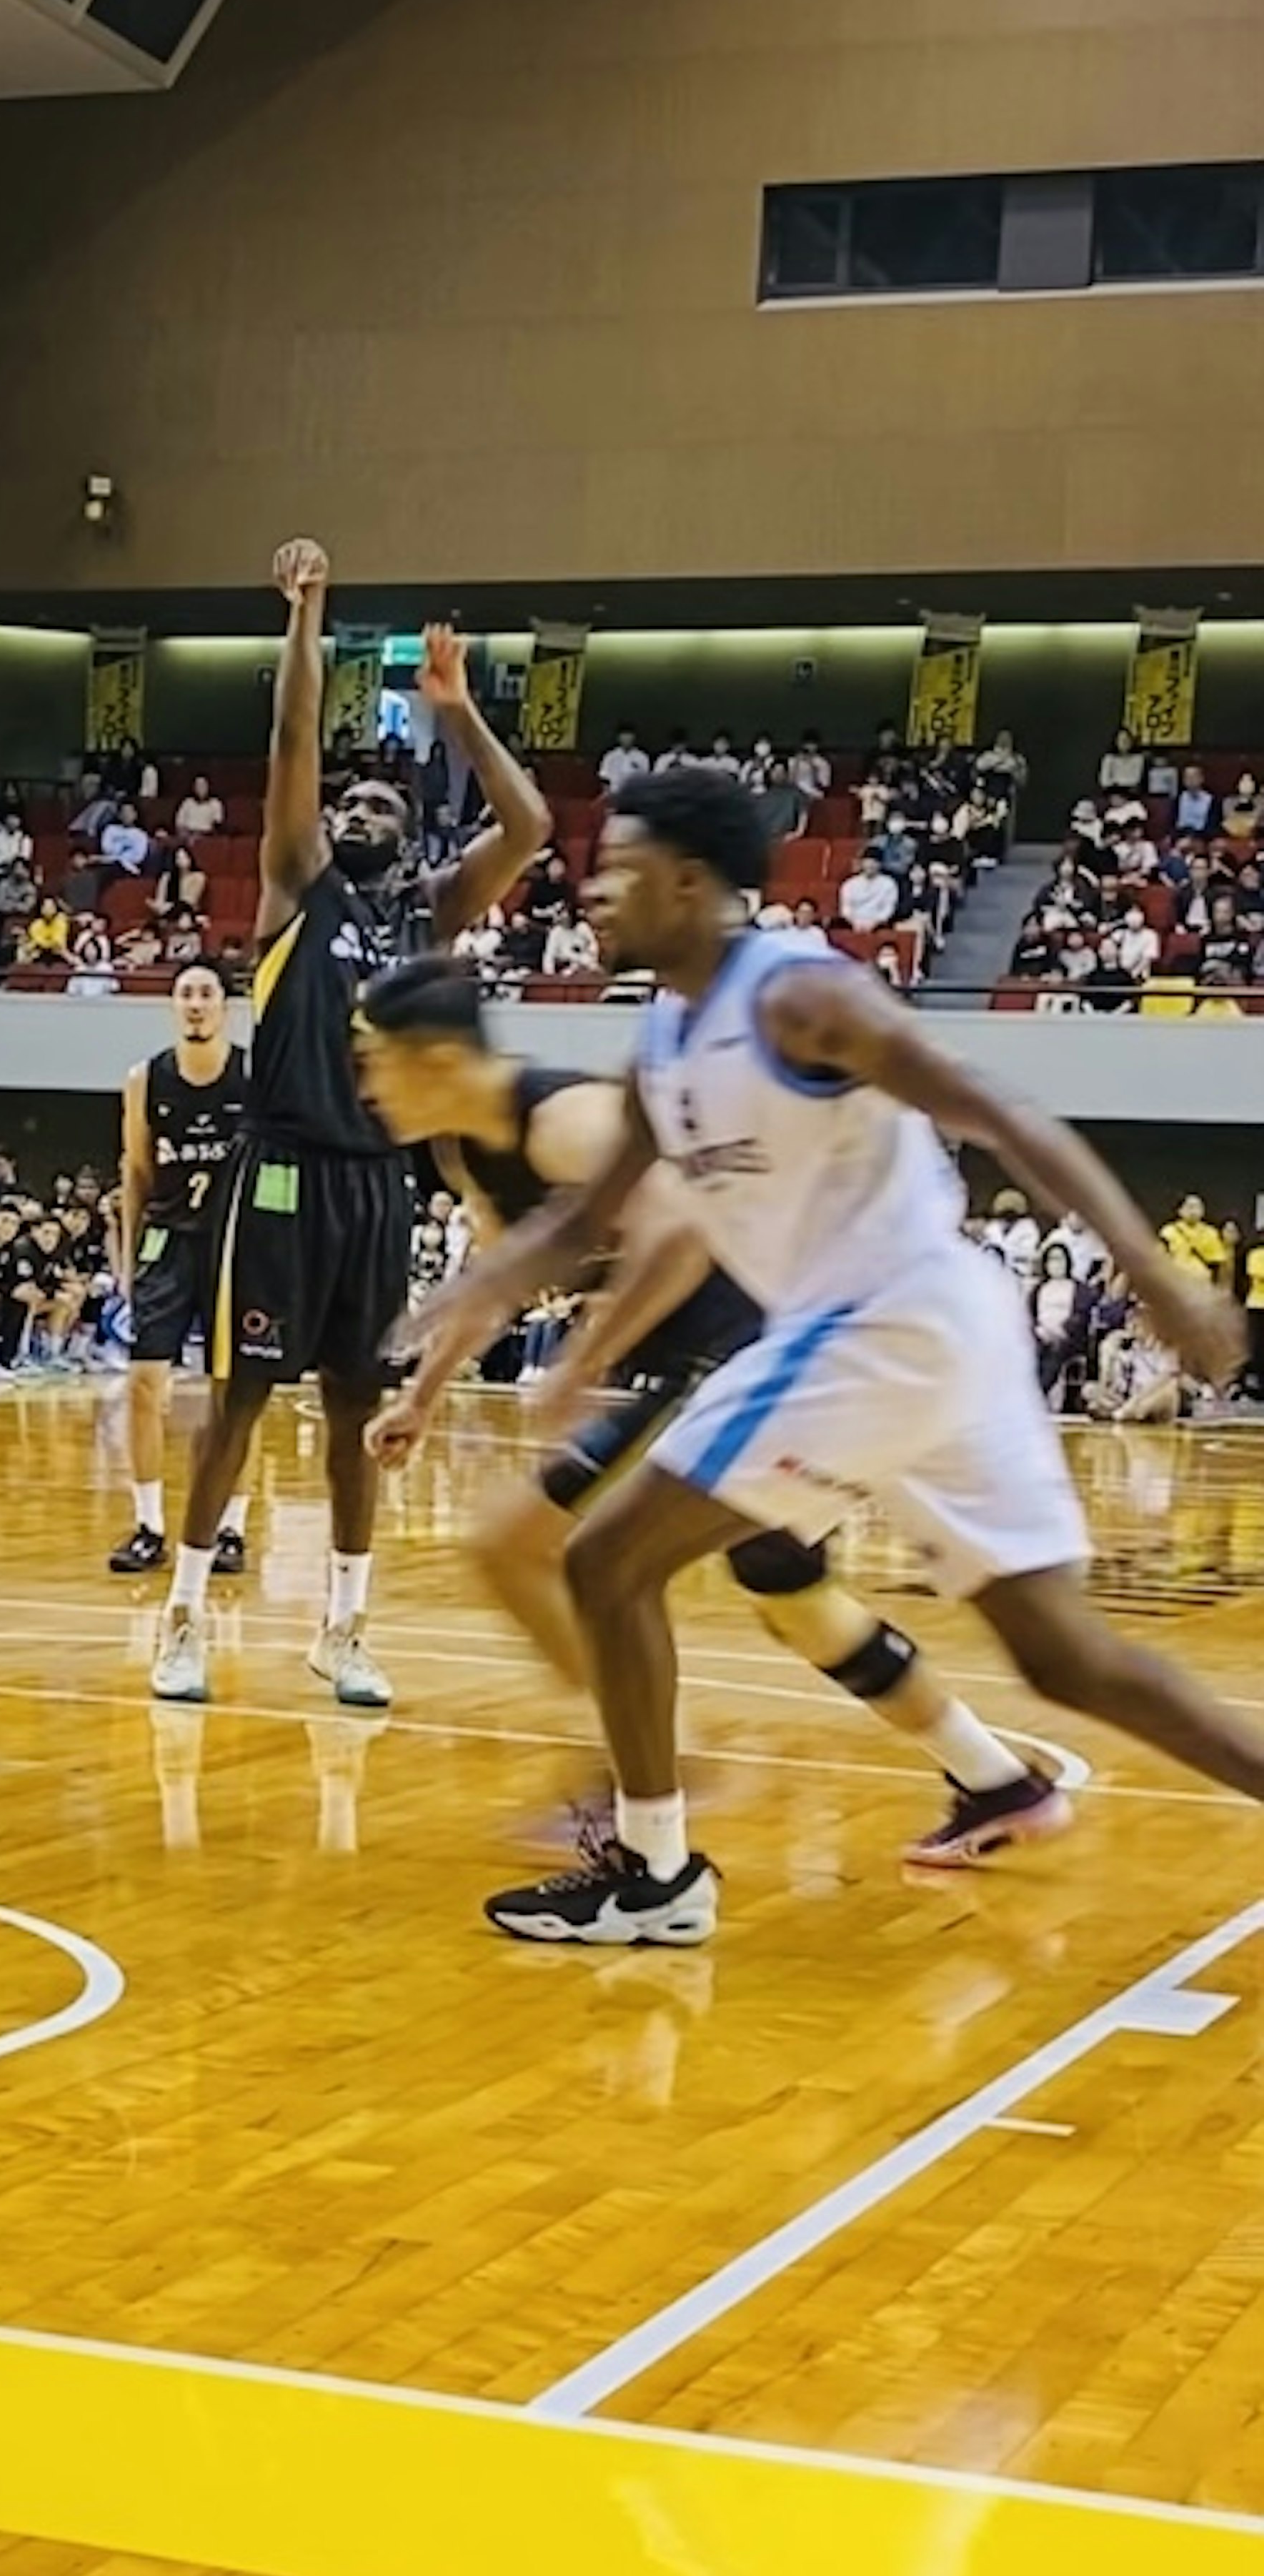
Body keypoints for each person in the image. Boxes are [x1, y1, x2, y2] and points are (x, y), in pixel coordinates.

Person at [427, 767, 1264, 1946]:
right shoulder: (664, 1037)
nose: (592, 889)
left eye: (616, 869)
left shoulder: (800, 997)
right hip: (928, 1339)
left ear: (691, 882)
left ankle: (655, 1877)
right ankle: (950, 1792)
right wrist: (480, 1290)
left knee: (608, 1562)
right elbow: (586, 1218)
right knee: (1071, 1663)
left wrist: (1155, 1271)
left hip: (886, 1320)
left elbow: (1002, 1115)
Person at [354, 957, 1084, 1871]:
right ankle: (997, 1779)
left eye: (373, 1060)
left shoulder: (565, 1119)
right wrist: (422, 1395)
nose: (366, 1084)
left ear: (435, 1058)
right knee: (793, 1597)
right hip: (726, 1369)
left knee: (519, 1546)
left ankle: (645, 1772)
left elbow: (679, 1234)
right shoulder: (470, 1147)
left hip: (740, 1360)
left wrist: (580, 1361)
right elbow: (500, 1278)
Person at [151, 555, 547, 1711]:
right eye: (348, 803)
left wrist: (462, 712)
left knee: (354, 1412)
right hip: (275, 1169)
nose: (356, 809)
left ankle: (344, 1628)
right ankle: (181, 1616)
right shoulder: (294, 886)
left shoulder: (427, 914)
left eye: (382, 804)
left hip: (379, 1186)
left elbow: (524, 828)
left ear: (411, 833)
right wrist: (306, 615)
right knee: (236, 1403)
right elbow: (290, 743)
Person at [108, 963, 250, 1575]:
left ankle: (231, 1527)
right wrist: (127, 1258)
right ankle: (148, 1524)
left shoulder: (255, 1074)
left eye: (207, 993)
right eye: (186, 993)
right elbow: (136, 1172)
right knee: (143, 1385)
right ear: (174, 1005)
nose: (196, 1004)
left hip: (235, 1246)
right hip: (167, 1242)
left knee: (236, 1394)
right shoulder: (146, 1079)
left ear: (225, 1005)